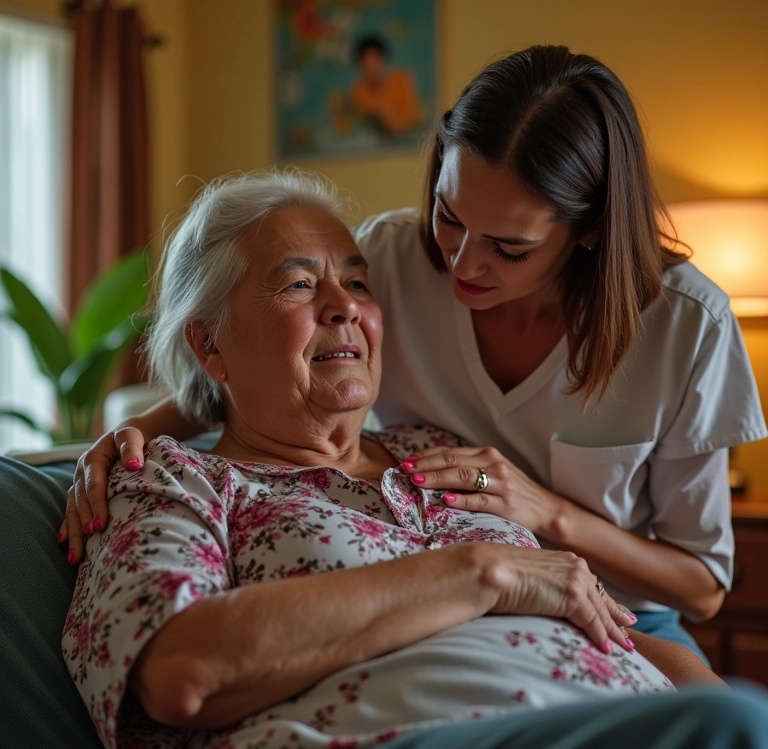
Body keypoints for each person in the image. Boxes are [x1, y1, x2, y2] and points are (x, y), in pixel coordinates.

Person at [63, 45, 767, 662]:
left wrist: (544, 513)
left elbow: (702, 587)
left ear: (587, 234)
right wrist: (125, 441)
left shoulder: (685, 324)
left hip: (619, 606)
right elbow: (265, 358)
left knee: (707, 705)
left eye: (509, 247)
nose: (461, 261)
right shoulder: (394, 259)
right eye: (450, 214)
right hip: (450, 602)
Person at [63, 169, 768, 749]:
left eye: (358, 284)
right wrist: (475, 575)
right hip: (394, 744)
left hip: (608, 721)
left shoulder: (437, 454)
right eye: (299, 286)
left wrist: (698, 688)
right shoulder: (173, 480)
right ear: (209, 344)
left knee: (740, 717)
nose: (344, 307)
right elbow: (179, 672)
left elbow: (604, 620)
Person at [348, 34, 422, 136]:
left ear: (383, 60)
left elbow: (410, 122)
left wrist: (381, 110)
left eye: (374, 64)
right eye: (367, 66)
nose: (371, 70)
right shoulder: (359, 90)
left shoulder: (401, 80)